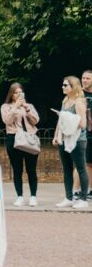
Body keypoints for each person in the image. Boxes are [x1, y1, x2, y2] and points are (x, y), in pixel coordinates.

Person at [0, 82, 40, 207]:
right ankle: (20, 196)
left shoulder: (29, 106)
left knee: (31, 169)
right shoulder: (5, 106)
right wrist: (15, 107)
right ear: (11, 94)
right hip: (14, 138)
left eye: (20, 92)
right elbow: (7, 120)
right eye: (15, 92)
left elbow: (35, 121)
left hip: (29, 139)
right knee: (17, 169)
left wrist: (26, 109)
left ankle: (33, 196)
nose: (18, 95)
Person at [52, 76, 88, 209]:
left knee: (81, 169)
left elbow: (83, 124)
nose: (63, 87)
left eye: (65, 85)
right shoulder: (65, 100)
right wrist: (56, 136)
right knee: (66, 169)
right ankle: (68, 198)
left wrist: (67, 117)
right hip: (64, 139)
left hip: (77, 140)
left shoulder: (79, 102)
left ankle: (83, 199)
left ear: (73, 87)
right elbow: (60, 120)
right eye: (63, 85)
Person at [83, 70, 92, 170]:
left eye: (88, 78)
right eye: (83, 78)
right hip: (84, 134)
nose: (84, 80)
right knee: (86, 164)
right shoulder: (78, 94)